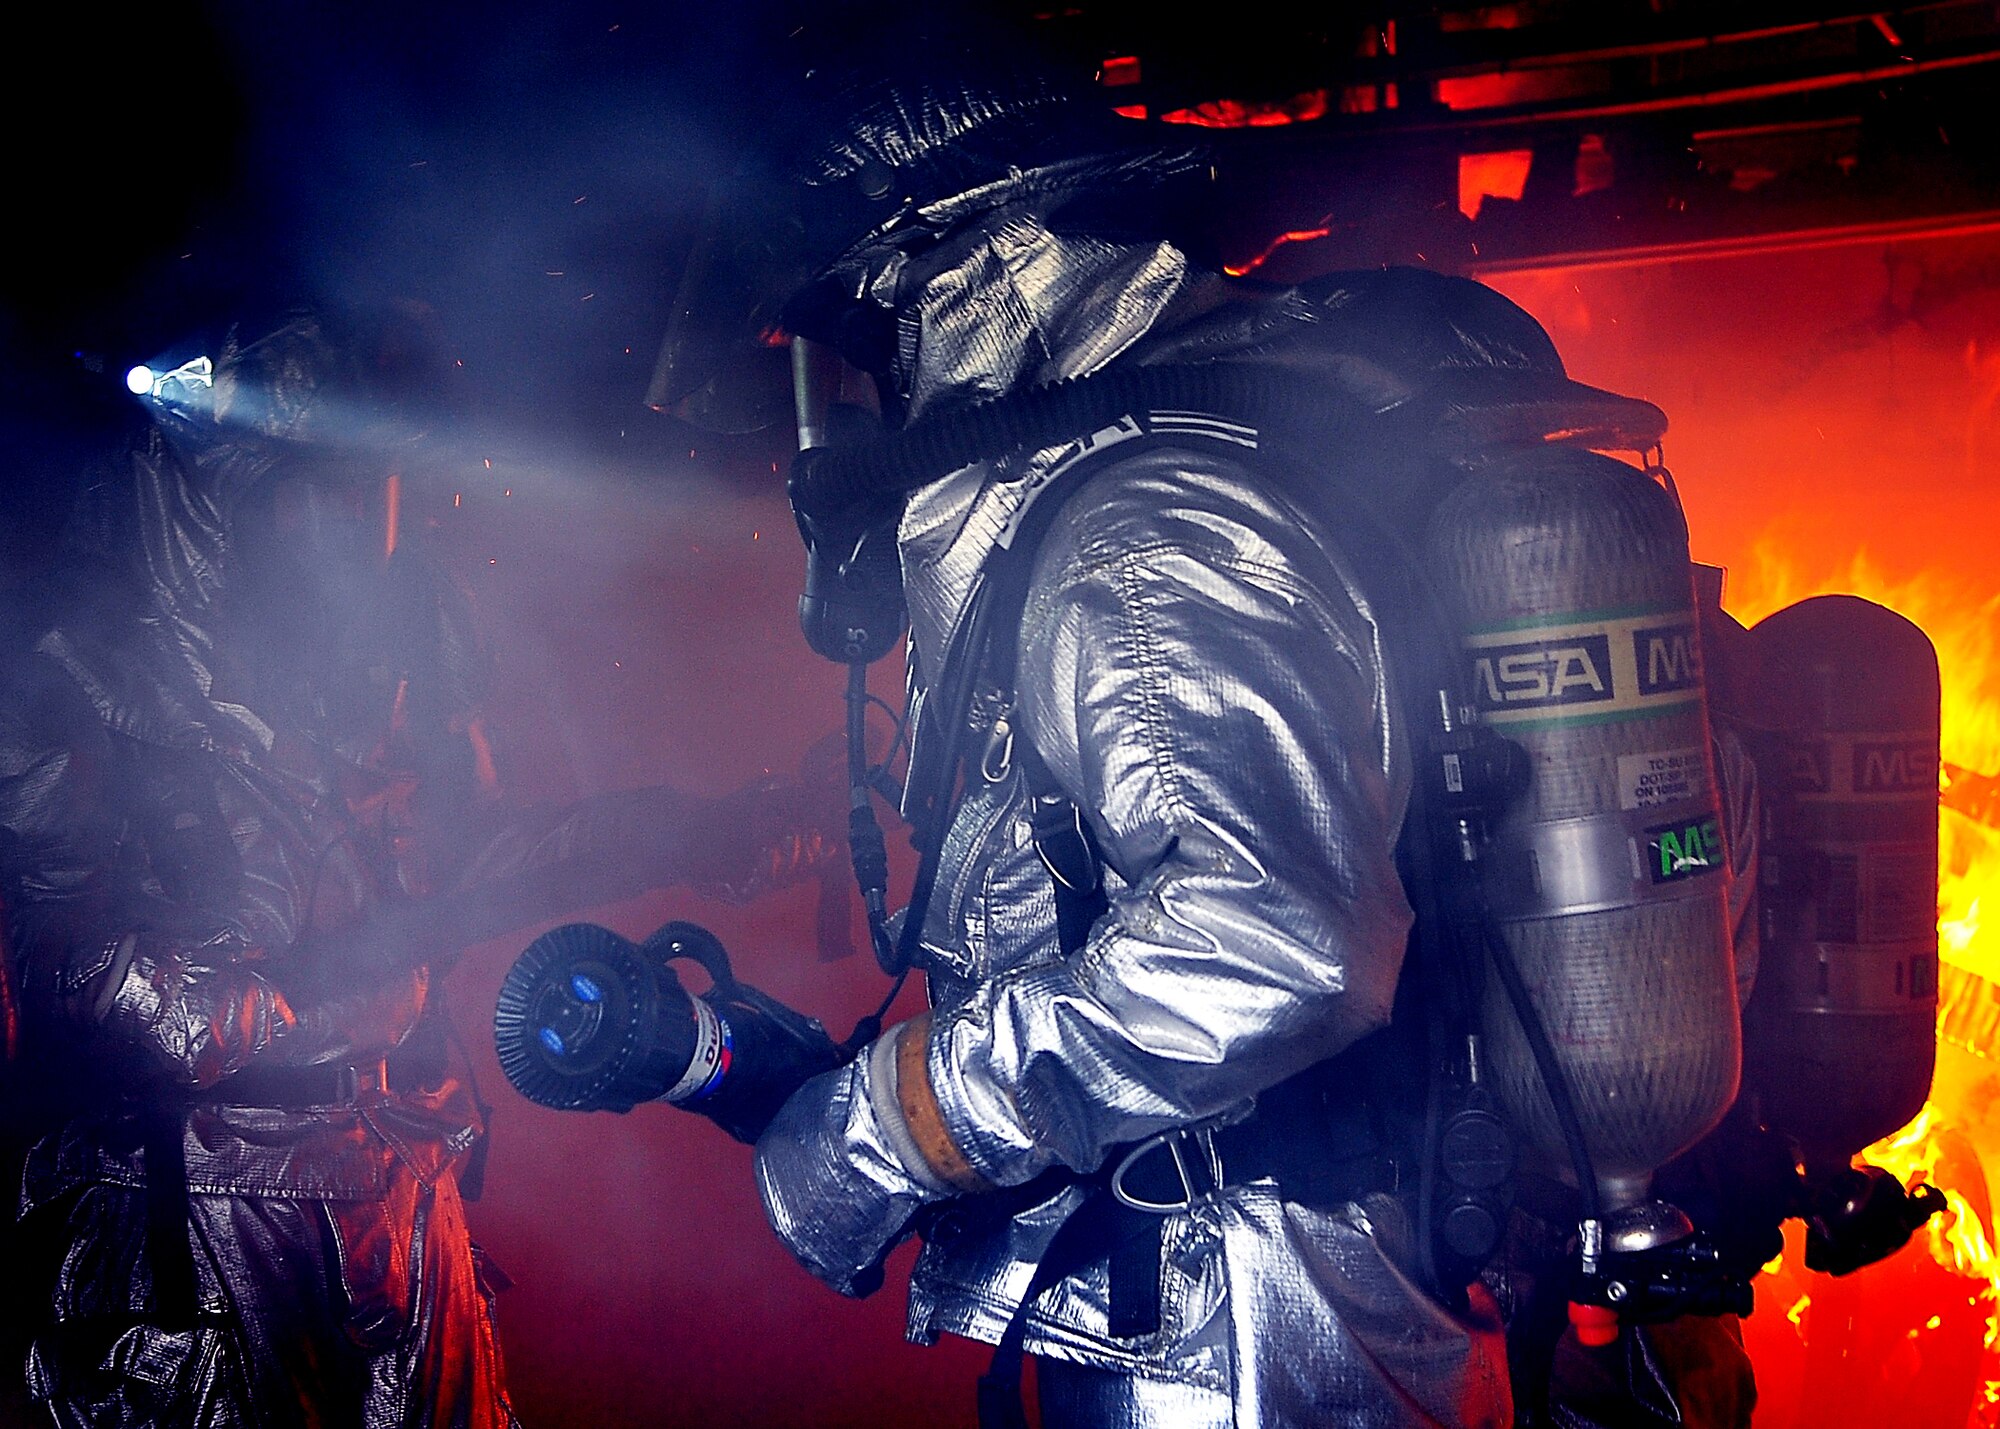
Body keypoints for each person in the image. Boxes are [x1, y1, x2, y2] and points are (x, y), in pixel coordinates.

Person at [640, 9, 1760, 1426]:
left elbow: (1270, 940)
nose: (841, 417)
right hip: (1232, 1292)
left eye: (850, 342)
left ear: (949, 285)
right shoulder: (1148, 493)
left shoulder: (1138, 534)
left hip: (1235, 1324)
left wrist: (888, 1131)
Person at [0, 309, 845, 1428]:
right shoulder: (85, 685)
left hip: (393, 1205)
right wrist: (217, 1006)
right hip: (182, 1224)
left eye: (373, 494)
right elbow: (60, 946)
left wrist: (714, 831)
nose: (361, 532)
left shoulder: (391, 680)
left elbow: (491, 859)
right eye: (324, 495)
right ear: (223, 502)